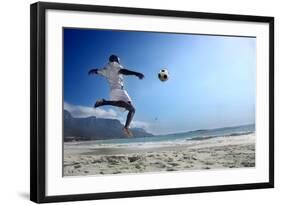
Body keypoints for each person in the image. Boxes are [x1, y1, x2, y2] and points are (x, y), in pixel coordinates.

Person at [88, 54, 144, 137]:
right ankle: (105, 102)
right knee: (131, 109)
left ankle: (126, 127)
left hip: (116, 91)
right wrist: (137, 74)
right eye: (119, 60)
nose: (119, 62)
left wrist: (92, 71)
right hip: (117, 91)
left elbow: (97, 71)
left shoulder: (105, 70)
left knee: (132, 109)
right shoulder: (115, 65)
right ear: (116, 60)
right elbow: (123, 71)